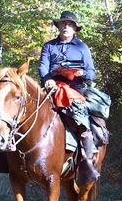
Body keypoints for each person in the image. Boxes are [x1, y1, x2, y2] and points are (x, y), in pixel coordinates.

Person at [39, 10, 99, 182]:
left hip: (74, 91)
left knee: (83, 124)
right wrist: (47, 79)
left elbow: (91, 72)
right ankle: (10, 159)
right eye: (63, 23)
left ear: (74, 28)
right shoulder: (49, 46)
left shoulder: (82, 47)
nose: (66, 26)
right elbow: (43, 66)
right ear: (58, 26)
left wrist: (81, 73)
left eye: (70, 24)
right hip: (51, 89)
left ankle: (86, 166)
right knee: (22, 112)